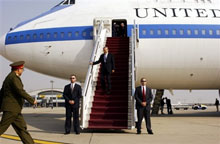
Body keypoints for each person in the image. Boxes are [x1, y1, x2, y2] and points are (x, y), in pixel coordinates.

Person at [0, 61, 37, 144]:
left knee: (22, 129)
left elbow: (1, 93)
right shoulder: (14, 78)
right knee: (2, 127)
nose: (22, 71)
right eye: (22, 69)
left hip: (14, 109)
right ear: (18, 69)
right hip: (12, 109)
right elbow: (20, 91)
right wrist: (32, 100)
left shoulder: (8, 77)